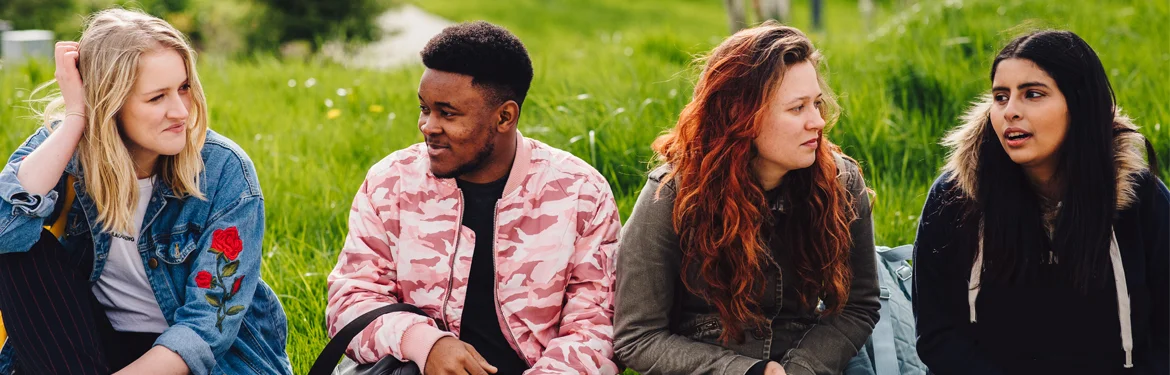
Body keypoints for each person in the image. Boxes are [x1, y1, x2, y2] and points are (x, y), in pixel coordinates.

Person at [0, 8, 292, 375]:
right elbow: (5, 233)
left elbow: (206, 328)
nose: (180, 112)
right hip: (95, 349)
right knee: (19, 251)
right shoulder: (66, 148)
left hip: (203, 362)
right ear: (109, 103)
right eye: (157, 98)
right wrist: (76, 117)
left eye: (184, 88)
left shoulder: (223, 170)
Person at [325, 21, 622, 375]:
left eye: (447, 113)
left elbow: (595, 327)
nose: (428, 126)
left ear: (504, 117)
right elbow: (351, 299)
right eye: (424, 108)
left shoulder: (580, 193)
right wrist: (426, 344)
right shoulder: (391, 181)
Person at [613, 23, 880, 375]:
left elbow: (858, 306)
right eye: (797, 108)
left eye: (816, 103)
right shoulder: (673, 195)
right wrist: (747, 371)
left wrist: (802, 369)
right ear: (742, 116)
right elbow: (637, 336)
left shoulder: (840, 182)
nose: (817, 121)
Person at [912, 30, 1169, 375]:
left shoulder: (1143, 200)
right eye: (1000, 97)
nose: (1010, 112)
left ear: (1079, 104)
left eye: (1032, 94)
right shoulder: (955, 197)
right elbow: (937, 334)